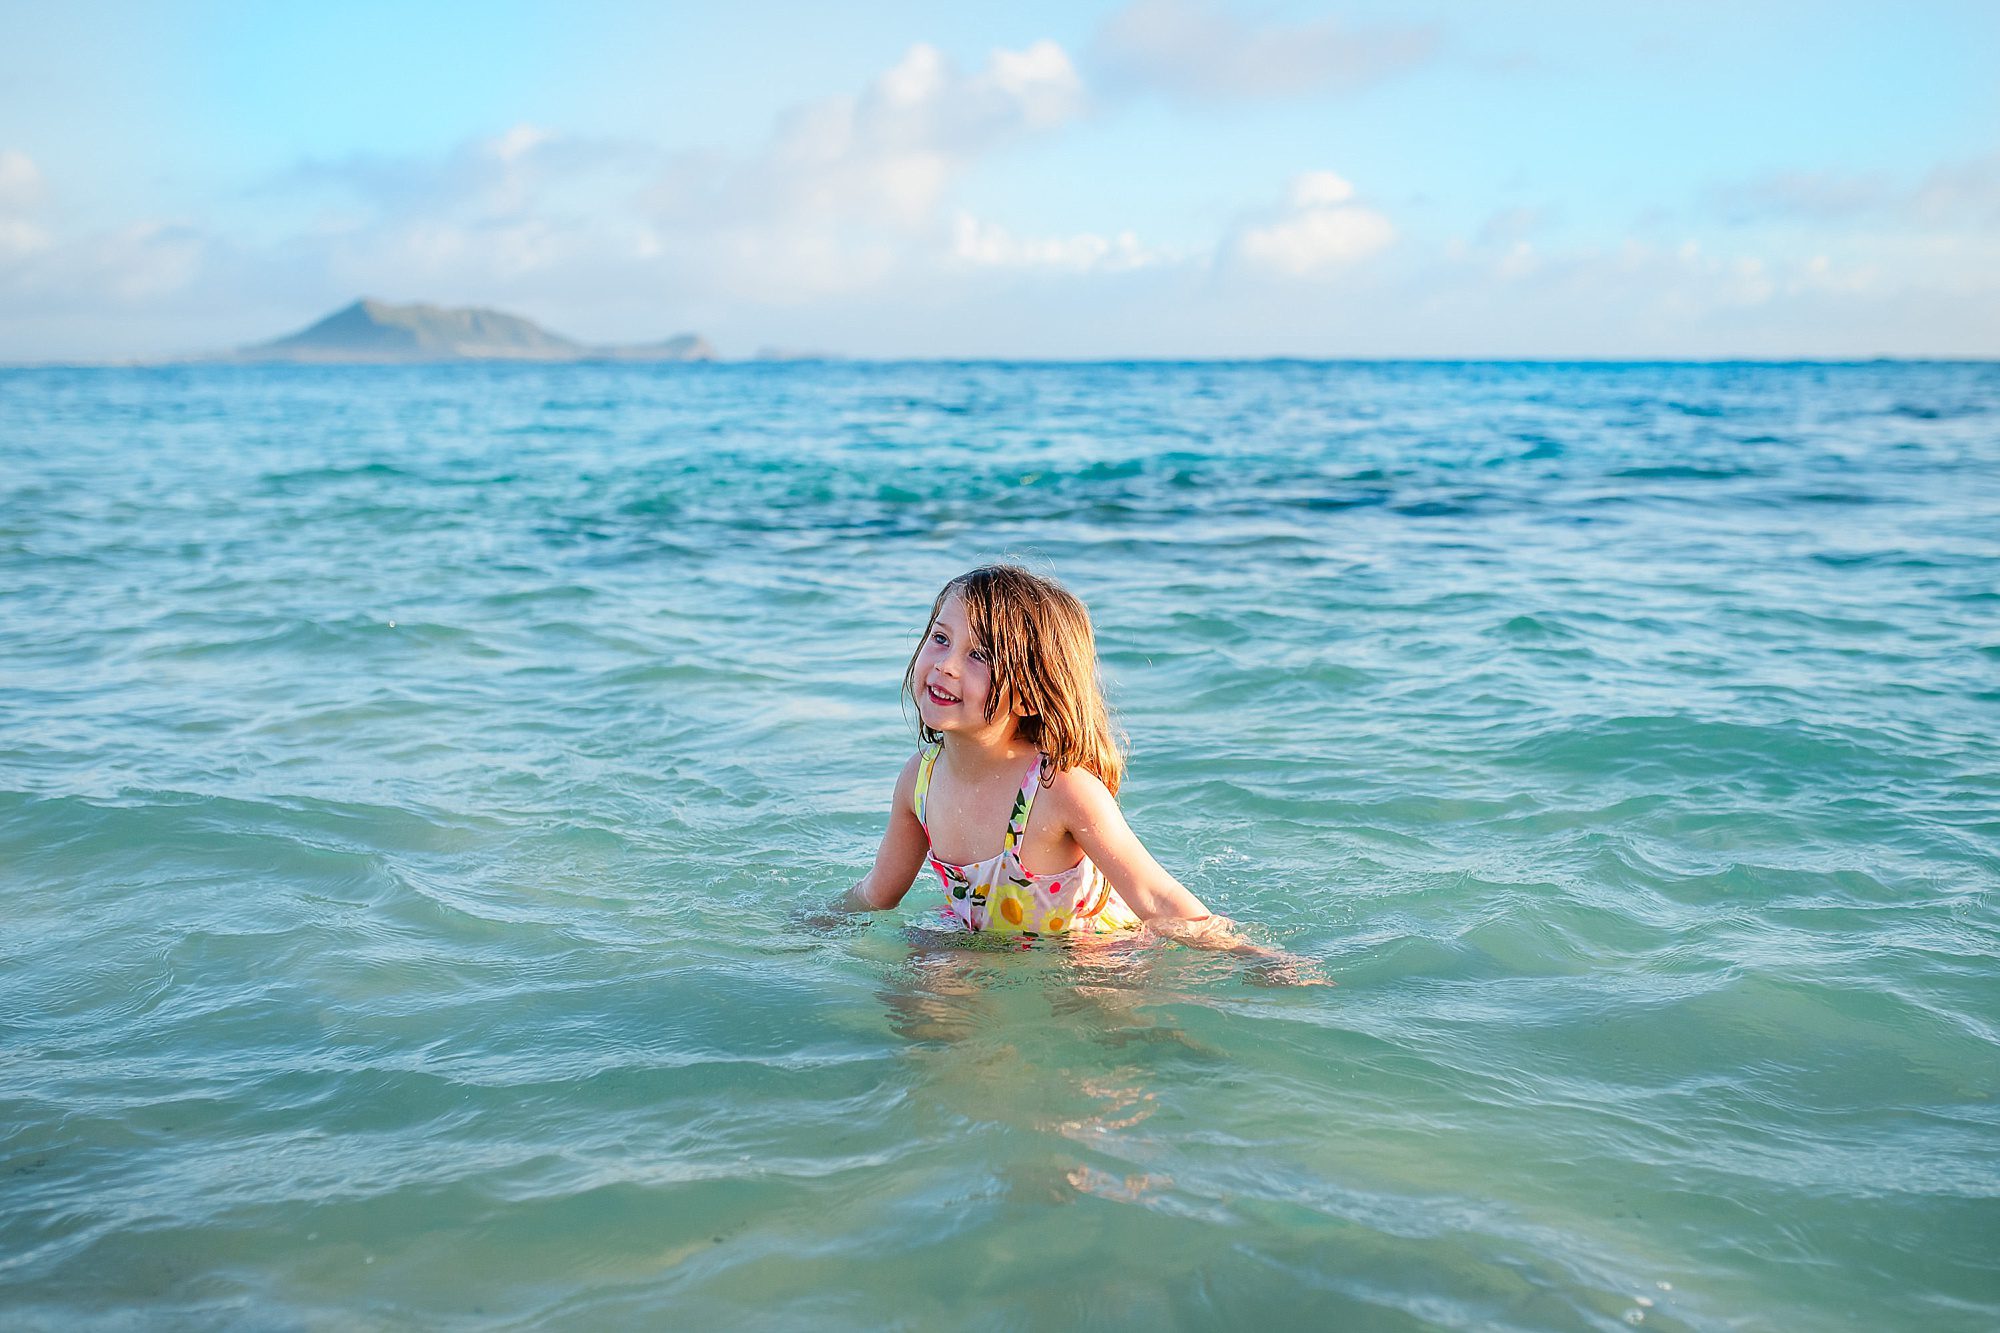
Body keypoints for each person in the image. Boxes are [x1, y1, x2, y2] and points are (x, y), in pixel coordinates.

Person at [839, 564, 1322, 978]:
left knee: (1099, 1000)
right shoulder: (920, 780)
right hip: (981, 941)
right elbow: (879, 892)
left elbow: (1155, 896)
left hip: (1087, 950)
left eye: (979, 655)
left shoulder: (1060, 788)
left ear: (1031, 692)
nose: (944, 666)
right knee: (924, 973)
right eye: (941, 638)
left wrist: (1252, 956)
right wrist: (811, 923)